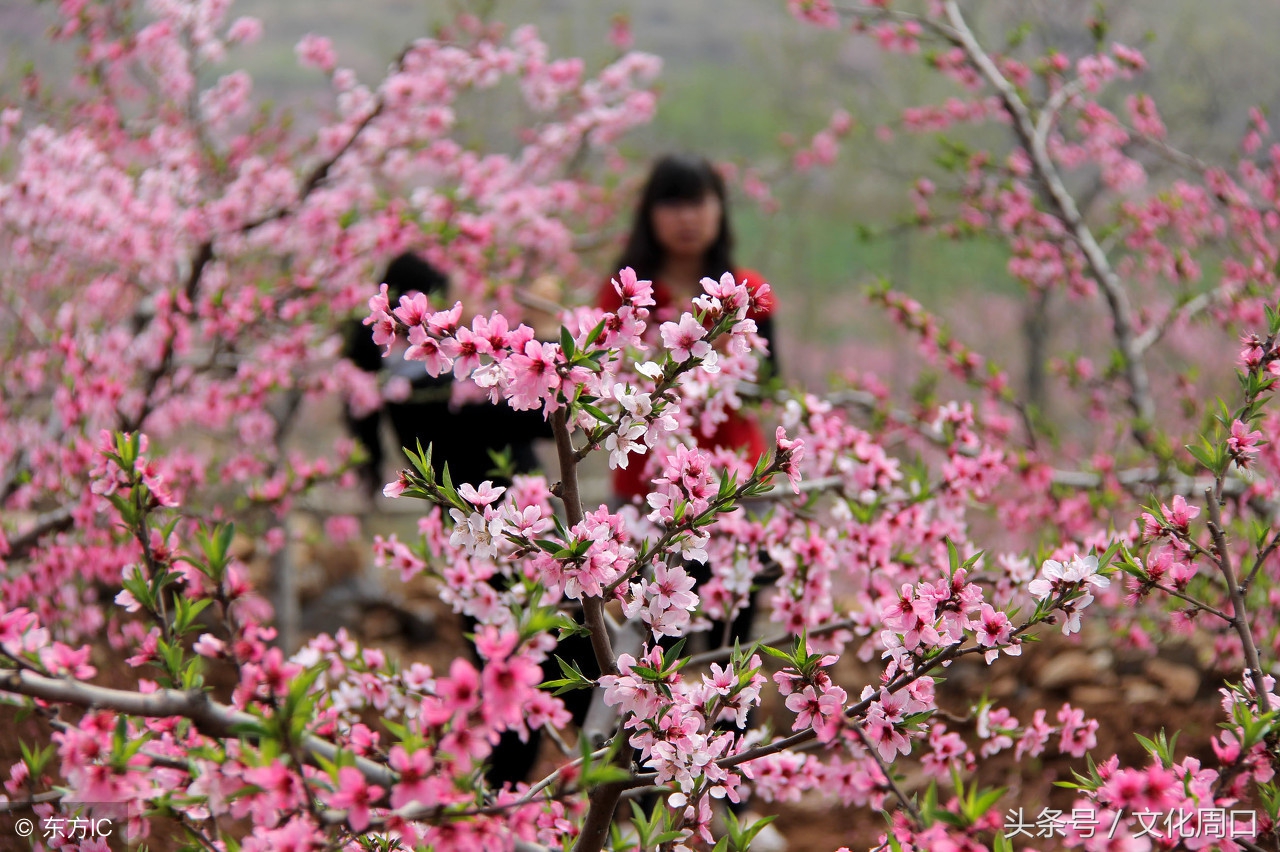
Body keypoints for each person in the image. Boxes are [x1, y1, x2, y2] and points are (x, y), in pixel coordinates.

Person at [598, 153, 779, 505]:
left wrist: (732, 360)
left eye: (697, 202)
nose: (686, 217)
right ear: (648, 214)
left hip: (735, 481)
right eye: (671, 203)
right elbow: (605, 377)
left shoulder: (748, 292)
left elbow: (770, 385)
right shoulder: (625, 292)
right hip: (646, 487)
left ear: (719, 210)